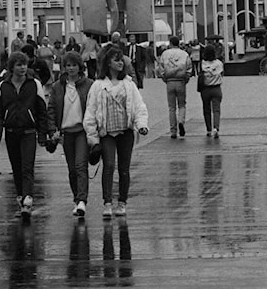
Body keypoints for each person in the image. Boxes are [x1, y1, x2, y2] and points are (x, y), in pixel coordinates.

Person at [83, 45, 149, 219]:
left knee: (124, 168)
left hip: (125, 132)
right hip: (107, 134)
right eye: (116, 60)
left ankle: (122, 202)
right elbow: (91, 112)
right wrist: (93, 138)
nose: (120, 63)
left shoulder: (128, 84)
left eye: (121, 60)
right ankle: (107, 202)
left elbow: (139, 106)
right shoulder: (98, 86)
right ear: (108, 63)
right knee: (109, 165)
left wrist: (141, 124)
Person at [0, 51, 52, 218]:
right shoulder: (3, 86)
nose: (23, 68)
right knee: (16, 168)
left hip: (29, 131)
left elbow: (41, 110)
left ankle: (27, 199)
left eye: (24, 64)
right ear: (12, 67)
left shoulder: (34, 84)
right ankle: (21, 196)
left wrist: (42, 134)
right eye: (19, 65)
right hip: (11, 132)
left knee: (27, 166)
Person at [48, 52, 93, 218]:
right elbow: (51, 109)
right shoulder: (57, 87)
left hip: (82, 131)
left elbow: (94, 108)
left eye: (74, 65)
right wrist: (52, 130)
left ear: (80, 66)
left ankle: (82, 200)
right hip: (66, 133)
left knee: (81, 165)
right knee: (72, 169)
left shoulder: (89, 85)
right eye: (68, 65)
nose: (71, 68)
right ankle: (76, 198)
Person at [157, 35, 191, 139]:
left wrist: (165, 79)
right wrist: (186, 79)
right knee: (182, 105)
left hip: (170, 81)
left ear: (170, 43)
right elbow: (189, 68)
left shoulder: (165, 54)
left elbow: (161, 68)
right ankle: (181, 121)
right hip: (181, 81)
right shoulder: (184, 54)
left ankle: (173, 131)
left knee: (171, 107)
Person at [197, 45, 224, 138]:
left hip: (205, 89)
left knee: (206, 109)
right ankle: (216, 128)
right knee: (216, 110)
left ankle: (208, 129)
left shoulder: (202, 64)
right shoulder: (219, 63)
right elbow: (222, 74)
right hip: (216, 88)